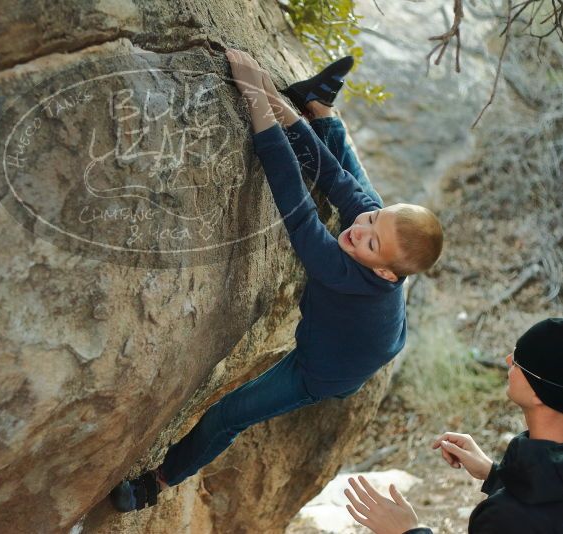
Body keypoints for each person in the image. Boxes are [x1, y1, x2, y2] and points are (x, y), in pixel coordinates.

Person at [110, 49, 444, 512]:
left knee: (227, 416)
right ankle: (318, 107)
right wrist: (276, 98)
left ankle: (155, 484)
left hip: (325, 369)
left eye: (369, 242)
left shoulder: (343, 269)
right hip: (374, 319)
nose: (358, 230)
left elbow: (297, 204)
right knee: (362, 193)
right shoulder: (371, 238)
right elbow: (333, 178)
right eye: (370, 224)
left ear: (383, 271)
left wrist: (256, 102)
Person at [344, 318, 563, 533]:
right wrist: (494, 474)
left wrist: (408, 531)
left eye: (517, 360)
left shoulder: (503, 517)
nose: (507, 359)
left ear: (539, 392)